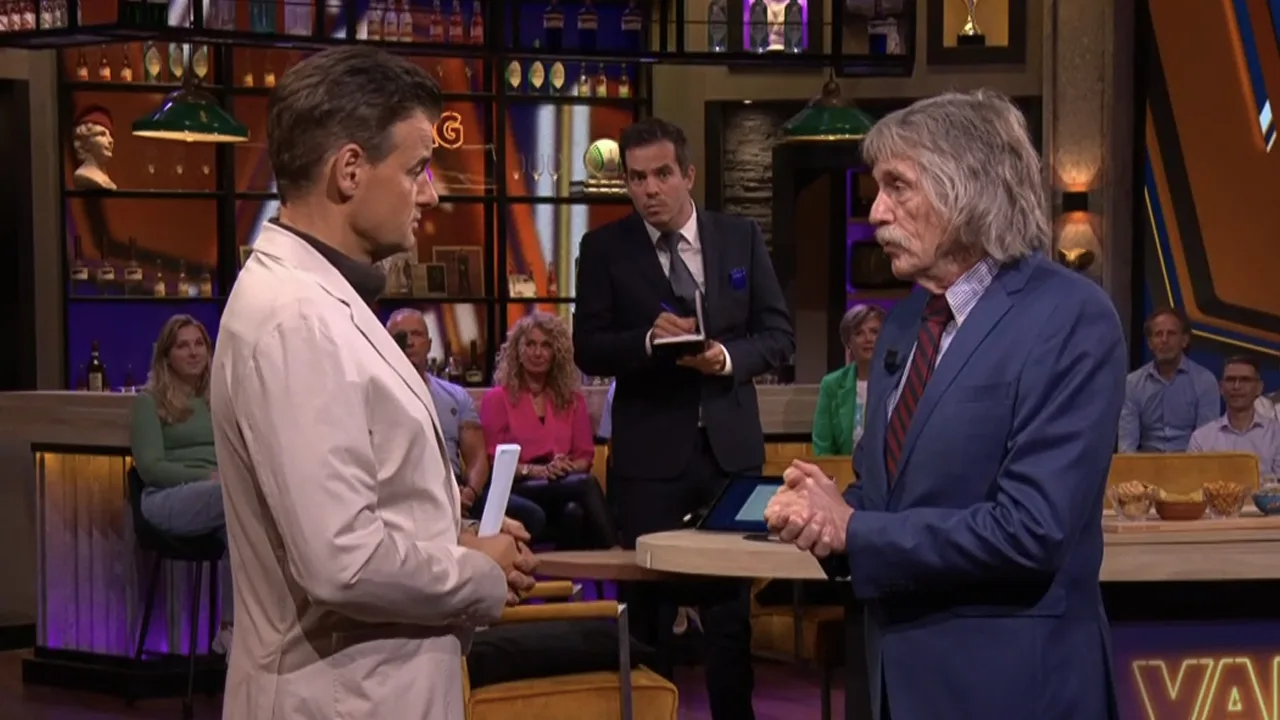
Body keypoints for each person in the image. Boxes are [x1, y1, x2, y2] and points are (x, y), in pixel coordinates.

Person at [765, 90, 1125, 720]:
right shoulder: (903, 325)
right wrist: (826, 517)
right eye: (877, 189)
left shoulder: (1070, 317)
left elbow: (1031, 531)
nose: (876, 213)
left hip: (1012, 692)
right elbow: (888, 502)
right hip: (894, 684)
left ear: (968, 188)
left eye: (897, 187)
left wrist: (854, 529)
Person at [209, 46, 537, 720]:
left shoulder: (318, 302)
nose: (431, 193)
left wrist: (454, 535)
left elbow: (364, 509)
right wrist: (476, 572)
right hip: (340, 699)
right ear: (350, 169)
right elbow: (342, 560)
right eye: (416, 169)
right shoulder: (296, 319)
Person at [573, 116, 794, 720]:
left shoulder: (740, 237)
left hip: (729, 453)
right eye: (636, 178)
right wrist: (648, 341)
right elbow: (588, 348)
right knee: (649, 615)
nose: (650, 189)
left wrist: (725, 358)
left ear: (688, 174)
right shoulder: (604, 250)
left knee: (730, 617)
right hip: (649, 461)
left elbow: (778, 335)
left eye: (662, 174)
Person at [385, 308, 548, 539]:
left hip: (459, 492)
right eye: (401, 336)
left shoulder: (455, 396)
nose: (409, 342)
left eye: (416, 334)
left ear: (429, 345)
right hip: (407, 496)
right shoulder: (376, 395)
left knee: (532, 517)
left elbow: (478, 457)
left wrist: (469, 493)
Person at [129, 314, 232, 653]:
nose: (193, 352)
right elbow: (150, 468)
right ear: (166, 356)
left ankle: (234, 629)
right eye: (183, 346)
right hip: (166, 498)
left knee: (245, 533)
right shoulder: (149, 402)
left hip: (218, 500)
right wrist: (207, 477)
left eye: (199, 344)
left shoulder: (221, 398)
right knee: (236, 500)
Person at [480, 312, 617, 550]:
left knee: (573, 512)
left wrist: (562, 467)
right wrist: (538, 470)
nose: (537, 353)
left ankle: (566, 572)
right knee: (585, 485)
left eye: (546, 346)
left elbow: (584, 458)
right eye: (530, 344)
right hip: (517, 485)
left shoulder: (571, 400)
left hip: (561, 482)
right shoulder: (497, 399)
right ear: (518, 350)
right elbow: (495, 462)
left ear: (557, 354)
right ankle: (614, 551)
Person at [1118, 308, 1219, 452]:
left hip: (1190, 462)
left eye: (1171, 334)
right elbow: (1126, 445)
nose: (1164, 340)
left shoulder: (1205, 381)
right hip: (1146, 463)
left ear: (1184, 340)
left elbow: (1206, 443)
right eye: (1158, 334)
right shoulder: (1132, 383)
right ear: (1150, 343)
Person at [1187, 355, 1280, 477]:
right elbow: (1192, 483)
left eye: (1245, 380)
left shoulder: (1276, 434)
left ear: (1259, 388)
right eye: (1230, 380)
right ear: (1221, 388)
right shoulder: (1201, 439)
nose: (1236, 386)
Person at [812, 304, 885, 456]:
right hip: (843, 468)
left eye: (874, 332)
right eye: (859, 333)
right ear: (849, 343)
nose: (868, 339)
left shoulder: (899, 381)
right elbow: (822, 448)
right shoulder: (831, 385)